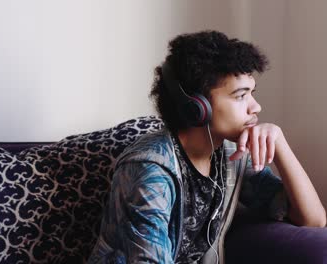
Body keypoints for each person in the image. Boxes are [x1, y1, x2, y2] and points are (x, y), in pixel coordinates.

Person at [87, 30, 326, 264]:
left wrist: (279, 142)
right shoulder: (151, 170)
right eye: (241, 96)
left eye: (252, 93)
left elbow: (313, 220)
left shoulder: (231, 155)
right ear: (197, 106)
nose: (256, 107)